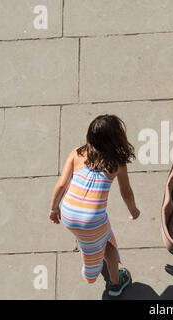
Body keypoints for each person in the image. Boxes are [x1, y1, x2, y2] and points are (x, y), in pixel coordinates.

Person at [49, 114, 141, 296]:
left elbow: (61, 184)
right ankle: (115, 283)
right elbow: (126, 192)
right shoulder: (117, 164)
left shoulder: (77, 153)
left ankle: (91, 254)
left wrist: (53, 208)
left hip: (68, 212)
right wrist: (134, 210)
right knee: (109, 245)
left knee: (90, 239)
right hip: (91, 219)